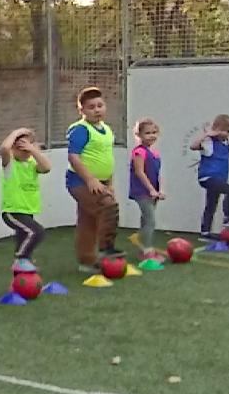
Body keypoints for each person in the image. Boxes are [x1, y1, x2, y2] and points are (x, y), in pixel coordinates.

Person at [66, 86, 121, 272]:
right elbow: (73, 157)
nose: (97, 110)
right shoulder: (80, 129)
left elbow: (107, 158)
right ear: (81, 110)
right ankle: (106, 248)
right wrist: (90, 180)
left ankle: (87, 261)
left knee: (88, 220)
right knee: (108, 206)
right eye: (91, 107)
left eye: (100, 105)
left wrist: (110, 183)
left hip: (102, 181)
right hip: (81, 182)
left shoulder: (107, 129)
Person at [0, 127, 51, 270]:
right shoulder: (10, 165)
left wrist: (33, 149)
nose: (25, 151)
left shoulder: (32, 165)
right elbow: (4, 148)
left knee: (23, 239)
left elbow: (47, 168)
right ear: (13, 149)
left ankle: (21, 272)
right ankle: (20, 259)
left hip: (28, 211)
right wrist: (17, 132)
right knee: (36, 232)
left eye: (28, 147)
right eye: (21, 148)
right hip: (13, 211)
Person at [193, 114, 229, 235]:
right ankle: (228, 217)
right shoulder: (209, 143)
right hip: (208, 177)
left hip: (219, 179)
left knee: (211, 204)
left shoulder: (225, 142)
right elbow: (193, 146)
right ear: (217, 129)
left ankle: (205, 231)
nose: (227, 134)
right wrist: (207, 134)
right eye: (225, 131)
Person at [128, 118, 166, 255]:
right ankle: (147, 249)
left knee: (146, 220)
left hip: (152, 191)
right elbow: (139, 172)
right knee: (150, 220)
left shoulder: (154, 153)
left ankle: (142, 245)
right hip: (142, 191)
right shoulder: (139, 151)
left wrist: (160, 190)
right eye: (147, 133)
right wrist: (151, 189)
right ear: (138, 135)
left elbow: (157, 173)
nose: (151, 136)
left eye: (154, 132)